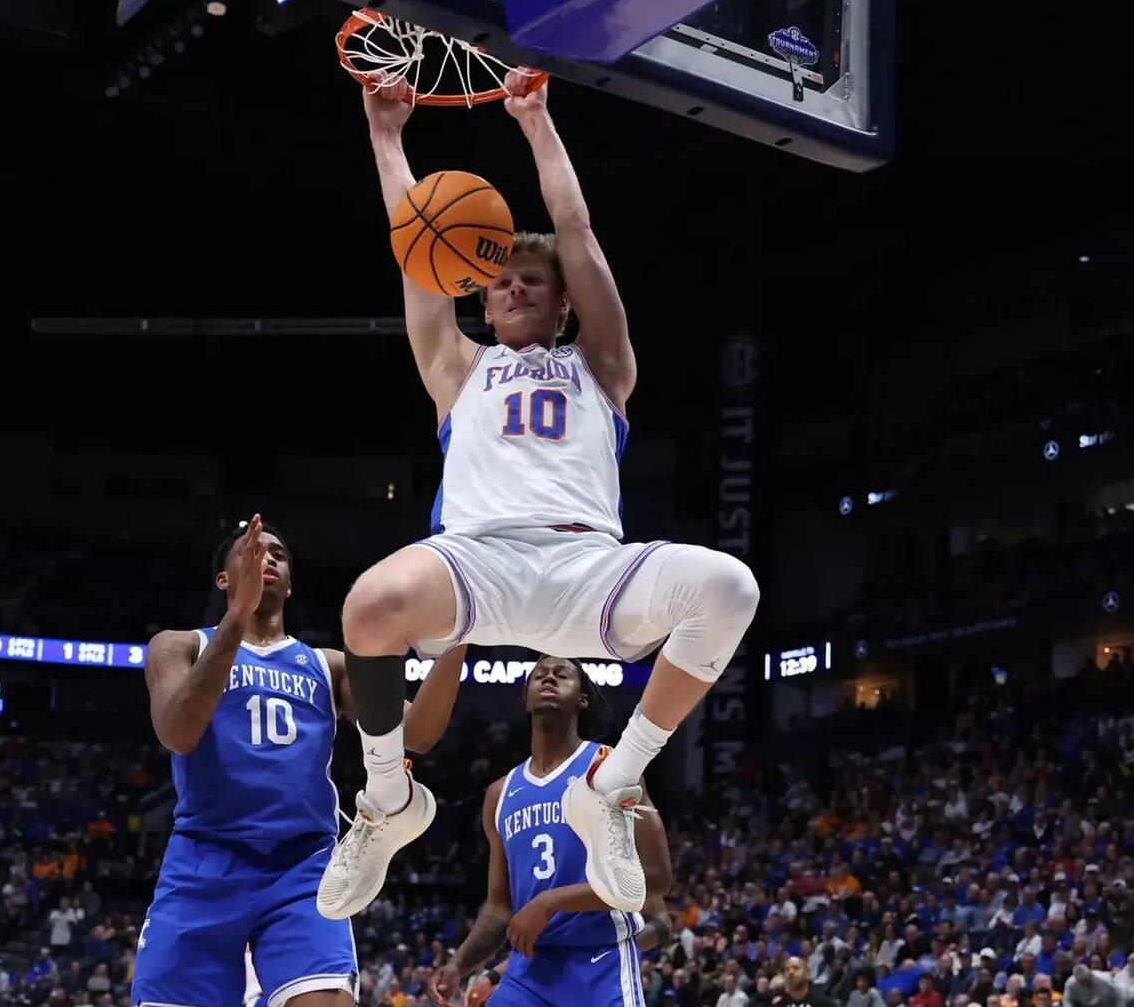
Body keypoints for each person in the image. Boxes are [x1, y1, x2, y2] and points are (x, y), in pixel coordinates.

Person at [320, 70, 761, 921]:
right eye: (502, 280)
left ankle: (616, 783)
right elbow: (418, 246)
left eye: (534, 281)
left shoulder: (604, 368)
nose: (516, 288)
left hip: (590, 568)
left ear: (563, 305)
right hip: (478, 561)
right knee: (369, 605)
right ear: (480, 295)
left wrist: (536, 122)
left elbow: (577, 229)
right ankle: (386, 802)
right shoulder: (459, 368)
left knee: (730, 588)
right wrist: (386, 139)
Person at [135, 516, 466, 1007]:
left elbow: (417, 734)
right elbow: (177, 733)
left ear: (290, 584)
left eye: (278, 554)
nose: (266, 558)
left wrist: (462, 635)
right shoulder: (180, 645)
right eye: (251, 552)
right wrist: (238, 616)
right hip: (205, 862)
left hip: (302, 867)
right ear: (224, 579)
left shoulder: (326, 664)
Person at [427, 655, 673, 1007]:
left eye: (562, 675)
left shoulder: (610, 766)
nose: (549, 679)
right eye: (539, 675)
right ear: (525, 697)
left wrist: (550, 902)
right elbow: (499, 908)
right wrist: (459, 964)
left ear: (582, 699)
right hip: (528, 971)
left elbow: (657, 876)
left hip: (599, 960)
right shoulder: (500, 793)